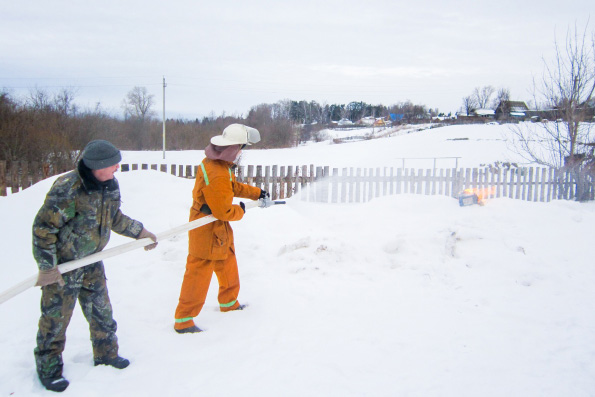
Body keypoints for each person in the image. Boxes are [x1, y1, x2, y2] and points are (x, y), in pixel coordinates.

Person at [32, 139, 158, 393]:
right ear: (96, 166)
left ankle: (106, 355)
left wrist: (140, 232)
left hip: (91, 263)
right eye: (113, 164)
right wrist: (47, 267)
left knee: (101, 313)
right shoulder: (68, 189)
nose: (117, 168)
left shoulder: (109, 185)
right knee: (55, 321)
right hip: (63, 269)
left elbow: (114, 218)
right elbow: (43, 229)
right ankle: (48, 370)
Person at [174, 124, 273, 334]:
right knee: (198, 273)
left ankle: (229, 302)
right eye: (240, 149)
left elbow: (233, 187)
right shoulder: (217, 173)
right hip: (207, 227)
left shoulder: (218, 165)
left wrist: (258, 193)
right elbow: (224, 211)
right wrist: (242, 210)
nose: (240, 153)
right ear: (232, 149)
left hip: (217, 228)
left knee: (227, 262)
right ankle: (184, 320)